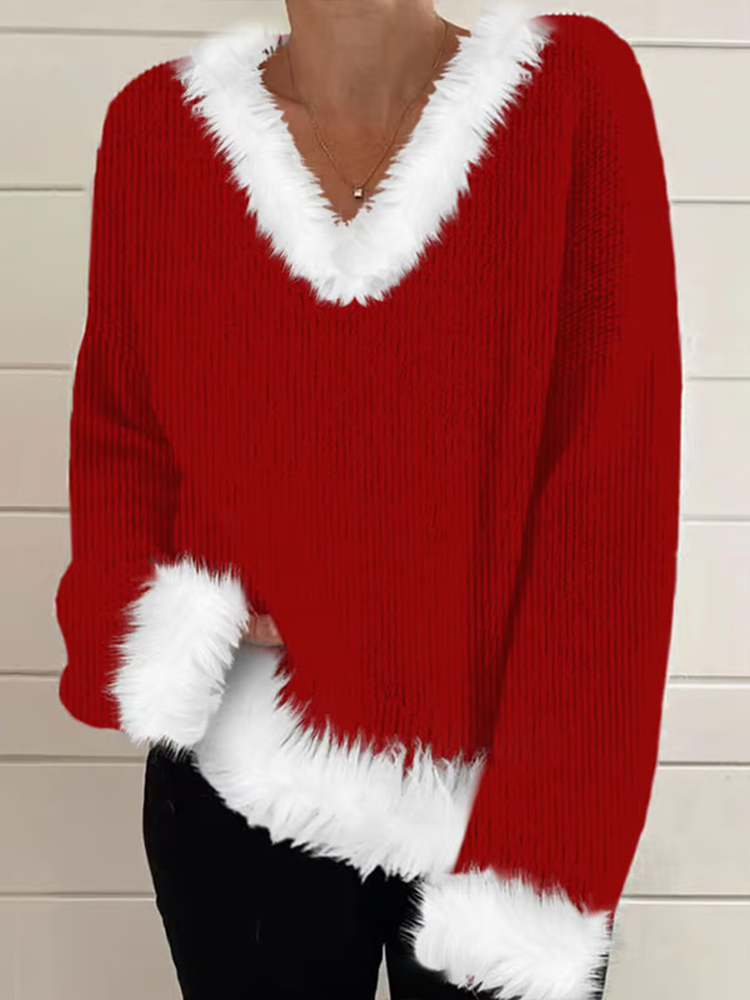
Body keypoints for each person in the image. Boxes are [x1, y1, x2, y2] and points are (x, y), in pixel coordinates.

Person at [54, 0, 683, 997]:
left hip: (502, 801)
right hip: (243, 782)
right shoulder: (158, 133)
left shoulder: (570, 96)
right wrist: (164, 625)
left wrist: (541, 860)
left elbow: (610, 509)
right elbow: (122, 430)